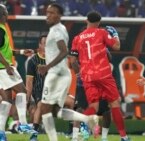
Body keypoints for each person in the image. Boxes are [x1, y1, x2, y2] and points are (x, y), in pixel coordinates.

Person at [69, 11, 130, 141]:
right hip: (103, 74)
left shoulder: (77, 38)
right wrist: (115, 34)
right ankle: (124, 137)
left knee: (93, 107)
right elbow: (117, 47)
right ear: (99, 22)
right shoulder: (102, 32)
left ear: (87, 21)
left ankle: (82, 130)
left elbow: (73, 60)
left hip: (87, 77)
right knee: (114, 104)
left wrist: (79, 73)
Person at [37, 3, 92, 141]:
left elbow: (64, 51)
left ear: (59, 15)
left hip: (55, 74)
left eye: (52, 12)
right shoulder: (60, 29)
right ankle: (86, 118)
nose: (48, 15)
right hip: (63, 73)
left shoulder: (56, 31)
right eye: (47, 12)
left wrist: (47, 66)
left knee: (44, 110)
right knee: (55, 111)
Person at [0, 4, 36, 141]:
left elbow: (6, 51)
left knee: (7, 100)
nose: (7, 14)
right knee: (22, 90)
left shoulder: (3, 29)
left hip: (2, 68)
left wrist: (21, 52)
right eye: (5, 12)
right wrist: (7, 66)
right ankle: (23, 123)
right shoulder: (0, 30)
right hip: (4, 69)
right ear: (1, 15)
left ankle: (1, 133)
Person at [70, 49, 113, 141]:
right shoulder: (79, 44)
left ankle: (104, 138)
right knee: (79, 110)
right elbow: (73, 61)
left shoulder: (100, 44)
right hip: (83, 84)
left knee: (106, 112)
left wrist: (103, 48)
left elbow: (109, 58)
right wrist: (78, 74)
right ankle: (74, 137)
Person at [26, 35, 46, 141]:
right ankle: (34, 134)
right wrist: (28, 98)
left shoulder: (55, 59)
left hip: (53, 91)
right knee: (40, 105)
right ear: (40, 45)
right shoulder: (33, 61)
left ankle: (73, 132)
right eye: (45, 43)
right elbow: (29, 82)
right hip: (39, 90)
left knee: (71, 102)